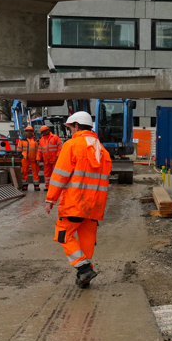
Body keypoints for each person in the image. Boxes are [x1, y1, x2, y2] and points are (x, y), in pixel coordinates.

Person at [44, 110, 112, 287]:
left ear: (76, 126)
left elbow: (60, 175)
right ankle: (85, 275)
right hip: (95, 205)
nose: (70, 132)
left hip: (75, 203)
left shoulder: (72, 145)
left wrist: (51, 198)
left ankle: (83, 269)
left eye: (70, 128)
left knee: (63, 233)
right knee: (87, 238)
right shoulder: (102, 151)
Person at [17, 125, 41, 192]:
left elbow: (39, 149)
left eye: (30, 131)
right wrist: (21, 156)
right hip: (25, 159)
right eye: (28, 131)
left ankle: (36, 186)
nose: (29, 132)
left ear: (32, 132)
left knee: (35, 173)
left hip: (34, 159)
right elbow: (19, 149)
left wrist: (39, 158)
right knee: (24, 172)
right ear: (25, 132)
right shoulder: (22, 140)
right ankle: (25, 186)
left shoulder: (37, 140)